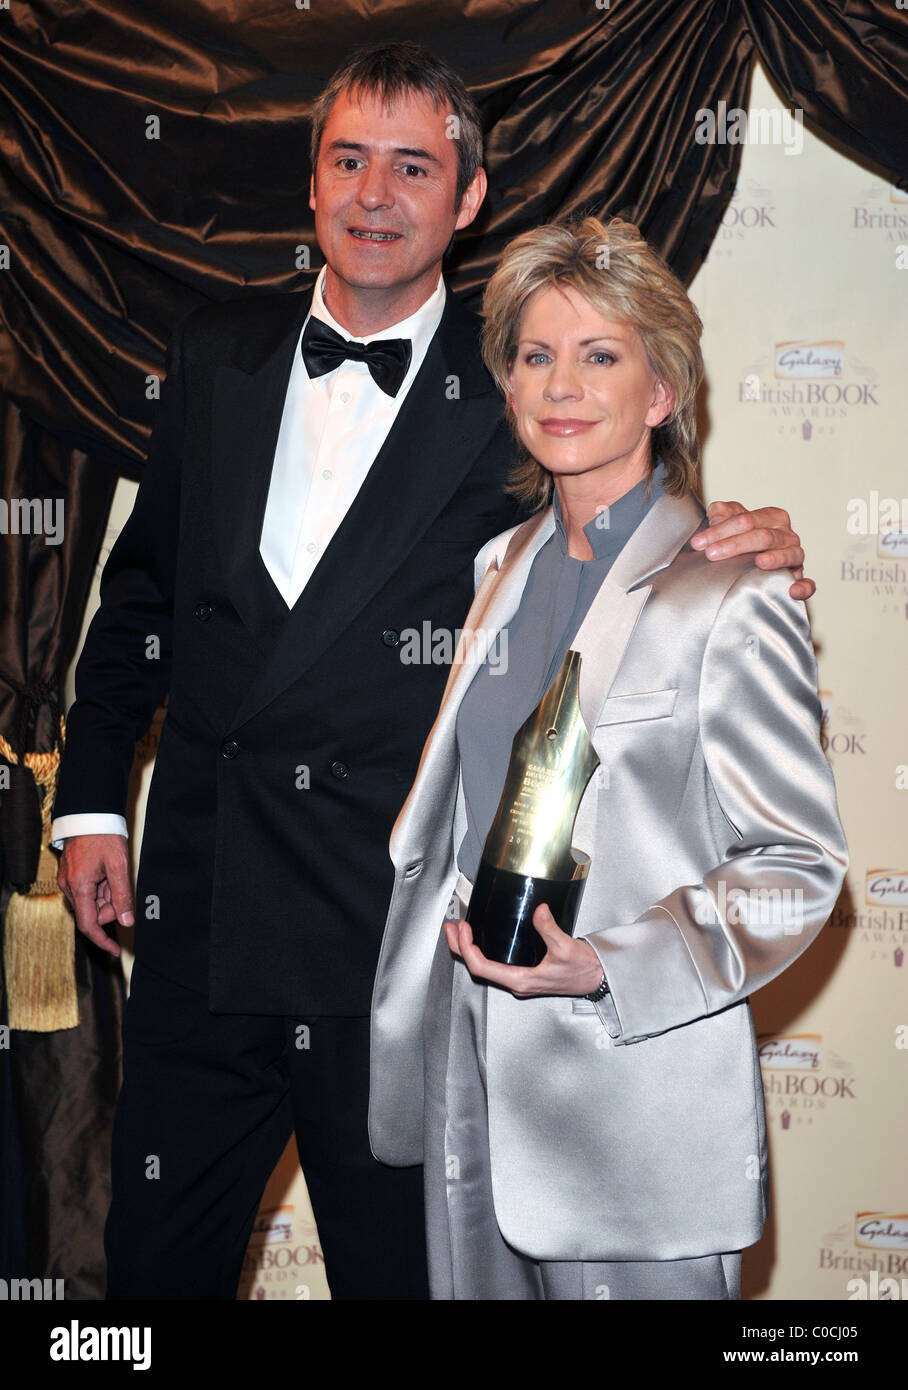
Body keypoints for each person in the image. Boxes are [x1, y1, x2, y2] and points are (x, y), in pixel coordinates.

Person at [52, 44, 815, 1301]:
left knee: (403, 1283)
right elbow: (141, 595)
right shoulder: (217, 350)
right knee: (146, 1281)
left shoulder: (515, 374)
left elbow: (611, 511)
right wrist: (89, 800)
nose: (373, 194)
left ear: (465, 200)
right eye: (347, 160)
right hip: (202, 911)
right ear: (310, 185)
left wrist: (738, 531)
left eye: (412, 167)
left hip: (393, 951)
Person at [368, 214, 848, 1300]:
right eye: (535, 356)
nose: (560, 385)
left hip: (634, 1109)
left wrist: (609, 965)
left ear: (661, 392)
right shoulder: (497, 568)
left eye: (599, 355)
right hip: (473, 1082)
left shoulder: (731, 591)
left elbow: (797, 864)